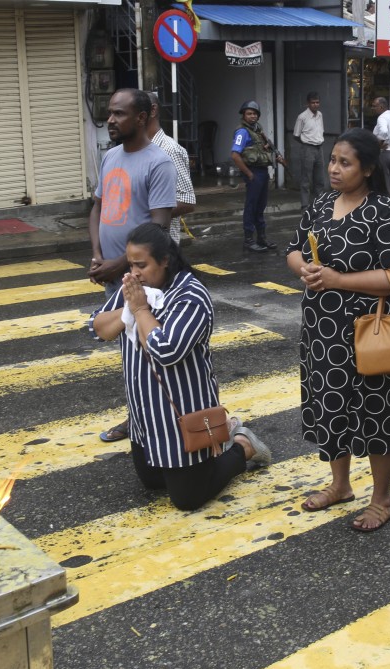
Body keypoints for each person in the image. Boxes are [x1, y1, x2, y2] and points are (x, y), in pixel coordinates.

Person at [285, 128, 390, 531]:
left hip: (369, 330)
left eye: (345, 162)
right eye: (332, 160)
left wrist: (339, 280)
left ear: (368, 169)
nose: (334, 169)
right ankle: (339, 484)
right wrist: (304, 269)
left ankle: (382, 498)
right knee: (330, 405)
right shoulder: (322, 205)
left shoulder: (385, 212)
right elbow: (294, 248)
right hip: (323, 330)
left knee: (378, 411)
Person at [90, 223, 272, 510]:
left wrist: (139, 310)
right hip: (144, 416)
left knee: (187, 499)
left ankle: (241, 445)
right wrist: (129, 309)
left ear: (165, 260)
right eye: (131, 264)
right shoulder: (136, 288)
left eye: (142, 264)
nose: (134, 273)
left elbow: (165, 350)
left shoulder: (191, 296)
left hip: (182, 415)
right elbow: (98, 327)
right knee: (152, 482)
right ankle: (216, 445)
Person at [89, 88, 177, 444]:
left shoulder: (159, 162)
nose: (111, 120)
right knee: (127, 351)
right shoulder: (110, 158)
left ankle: (157, 419)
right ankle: (138, 417)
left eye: (119, 114)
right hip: (113, 272)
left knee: (147, 352)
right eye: (110, 113)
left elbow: (159, 230)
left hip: (141, 279)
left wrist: (117, 265)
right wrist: (97, 255)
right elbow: (97, 207)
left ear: (141, 117)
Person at [231, 100, 285, 253]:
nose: (252, 116)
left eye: (255, 113)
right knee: (251, 206)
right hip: (253, 172)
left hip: (262, 171)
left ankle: (261, 238)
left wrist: (274, 154)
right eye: (249, 113)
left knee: (260, 206)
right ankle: (248, 240)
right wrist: (249, 174)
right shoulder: (242, 131)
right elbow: (235, 155)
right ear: (243, 115)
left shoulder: (257, 129)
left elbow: (264, 147)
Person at [146, 92, 196, 244]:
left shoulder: (169, 150)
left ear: (152, 111)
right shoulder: (135, 150)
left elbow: (186, 201)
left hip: (161, 244)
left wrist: (145, 217)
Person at [293, 92, 325, 210]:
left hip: (319, 148)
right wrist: (306, 143)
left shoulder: (320, 115)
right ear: (308, 103)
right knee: (306, 179)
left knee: (320, 179)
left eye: (317, 102)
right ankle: (305, 206)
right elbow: (296, 135)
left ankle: (319, 204)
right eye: (313, 102)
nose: (315, 105)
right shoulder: (302, 117)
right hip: (308, 148)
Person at [371, 97, 390, 190]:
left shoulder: (382, 118)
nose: (373, 108)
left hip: (384, 154)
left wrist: (379, 144)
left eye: (374, 106)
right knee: (388, 184)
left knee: (382, 185)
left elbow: (383, 132)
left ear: (381, 107)